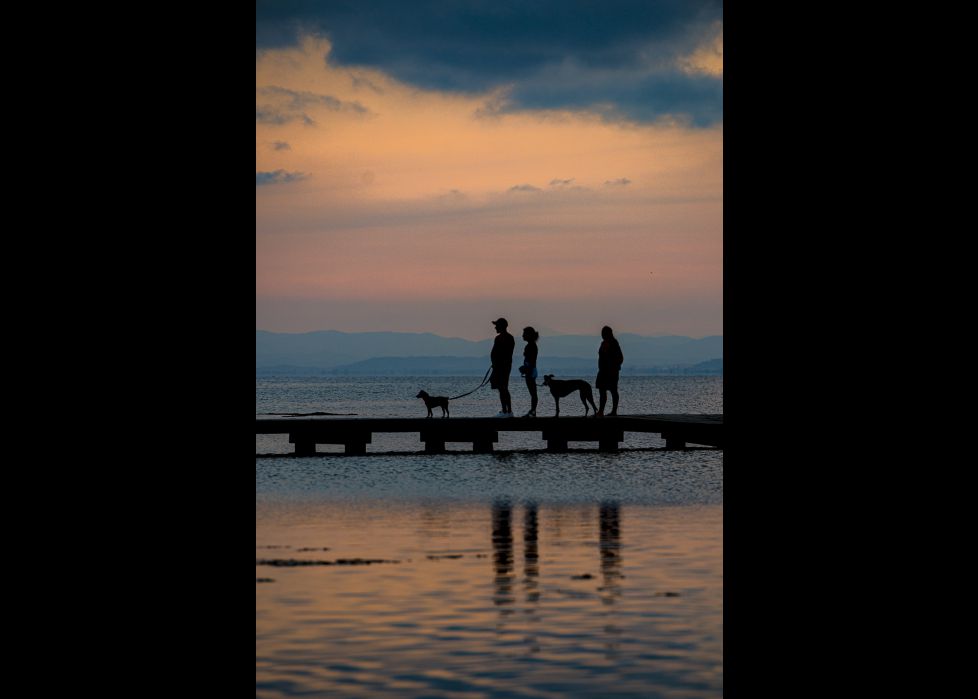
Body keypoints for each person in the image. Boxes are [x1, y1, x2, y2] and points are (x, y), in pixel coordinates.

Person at [595, 325, 624, 417]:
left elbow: (620, 358)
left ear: (608, 334)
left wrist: (613, 366)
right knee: (602, 390)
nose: (602, 335)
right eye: (602, 333)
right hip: (603, 371)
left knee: (613, 390)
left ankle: (613, 411)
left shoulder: (614, 343)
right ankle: (601, 411)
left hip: (611, 372)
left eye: (604, 333)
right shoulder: (603, 343)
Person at [490, 318, 515, 417]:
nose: (495, 327)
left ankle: (508, 411)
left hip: (503, 367)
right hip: (498, 367)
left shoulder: (508, 338)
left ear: (502, 326)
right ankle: (505, 410)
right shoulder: (499, 338)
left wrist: (497, 363)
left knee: (503, 388)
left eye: (497, 325)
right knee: (501, 388)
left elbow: (507, 354)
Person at [518, 326, 540, 417]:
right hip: (531, 370)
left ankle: (533, 411)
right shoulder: (532, 345)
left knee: (533, 393)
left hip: (530, 370)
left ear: (529, 335)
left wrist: (525, 368)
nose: (522, 335)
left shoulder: (531, 345)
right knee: (533, 392)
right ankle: (533, 411)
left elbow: (530, 360)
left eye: (524, 334)